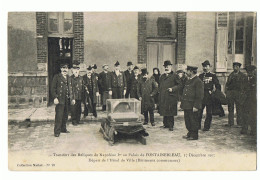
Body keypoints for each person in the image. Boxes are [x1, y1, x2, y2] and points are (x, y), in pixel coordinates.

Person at [181, 65, 204, 140]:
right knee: (187, 120)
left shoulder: (198, 81)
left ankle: (194, 135)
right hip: (187, 104)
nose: (186, 72)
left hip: (192, 105)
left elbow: (199, 95)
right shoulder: (189, 80)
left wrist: (196, 106)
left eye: (187, 71)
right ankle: (190, 133)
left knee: (193, 120)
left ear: (191, 71)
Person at [158, 60, 182, 131]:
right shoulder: (162, 76)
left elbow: (180, 85)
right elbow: (160, 86)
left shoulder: (175, 76)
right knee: (165, 110)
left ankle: (171, 125)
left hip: (171, 96)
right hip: (164, 96)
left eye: (168, 66)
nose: (166, 68)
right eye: (165, 66)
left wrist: (173, 89)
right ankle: (165, 124)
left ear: (171, 67)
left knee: (170, 111)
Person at [198, 60, 221, 131]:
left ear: (209, 67)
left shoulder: (213, 75)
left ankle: (206, 127)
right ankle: (198, 126)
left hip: (209, 96)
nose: (205, 68)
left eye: (206, 66)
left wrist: (214, 93)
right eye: (203, 66)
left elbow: (218, 86)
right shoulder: (200, 76)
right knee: (199, 112)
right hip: (201, 96)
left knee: (209, 113)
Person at [51, 63, 70, 137]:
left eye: (66, 68)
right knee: (59, 115)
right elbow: (53, 88)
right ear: (61, 69)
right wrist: (55, 97)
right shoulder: (57, 77)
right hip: (60, 99)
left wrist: (71, 98)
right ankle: (57, 131)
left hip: (67, 99)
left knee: (65, 115)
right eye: (63, 68)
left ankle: (63, 128)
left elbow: (70, 88)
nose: (65, 69)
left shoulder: (68, 77)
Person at [225, 62, 247, 127]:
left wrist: (243, 93)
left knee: (239, 108)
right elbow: (227, 84)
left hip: (239, 94)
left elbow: (245, 86)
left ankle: (239, 123)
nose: (235, 68)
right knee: (230, 108)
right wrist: (227, 92)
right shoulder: (231, 75)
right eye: (234, 66)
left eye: (237, 66)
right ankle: (230, 123)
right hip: (231, 94)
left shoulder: (243, 76)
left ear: (239, 68)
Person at [241, 65, 257, 135]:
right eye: (248, 72)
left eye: (250, 72)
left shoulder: (256, 79)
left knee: (253, 115)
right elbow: (242, 88)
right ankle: (244, 129)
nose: (249, 73)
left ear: (253, 71)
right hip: (245, 100)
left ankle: (253, 130)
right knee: (244, 115)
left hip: (253, 100)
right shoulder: (244, 79)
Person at [69, 61, 84, 126]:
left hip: (79, 96)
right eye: (75, 69)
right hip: (74, 96)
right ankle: (74, 120)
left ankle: (78, 120)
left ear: (79, 70)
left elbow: (82, 87)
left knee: (79, 109)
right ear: (72, 70)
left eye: (77, 69)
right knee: (73, 109)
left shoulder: (81, 78)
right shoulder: (70, 78)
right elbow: (70, 89)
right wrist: (72, 98)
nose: (76, 71)